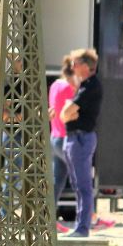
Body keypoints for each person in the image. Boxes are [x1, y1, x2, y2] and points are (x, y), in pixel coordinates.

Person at [60, 48, 101, 237]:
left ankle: (83, 228)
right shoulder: (83, 86)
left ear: (85, 66)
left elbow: (67, 113)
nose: (72, 67)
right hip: (74, 138)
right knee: (76, 184)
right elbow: (65, 114)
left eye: (75, 64)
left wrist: (68, 112)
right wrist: (68, 112)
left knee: (83, 185)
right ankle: (79, 225)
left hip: (81, 138)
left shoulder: (91, 86)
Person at [48, 56, 77, 210]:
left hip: (55, 136)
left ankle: (49, 217)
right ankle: (90, 216)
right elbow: (72, 111)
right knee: (79, 178)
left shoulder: (54, 85)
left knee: (57, 181)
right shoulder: (69, 88)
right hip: (66, 138)